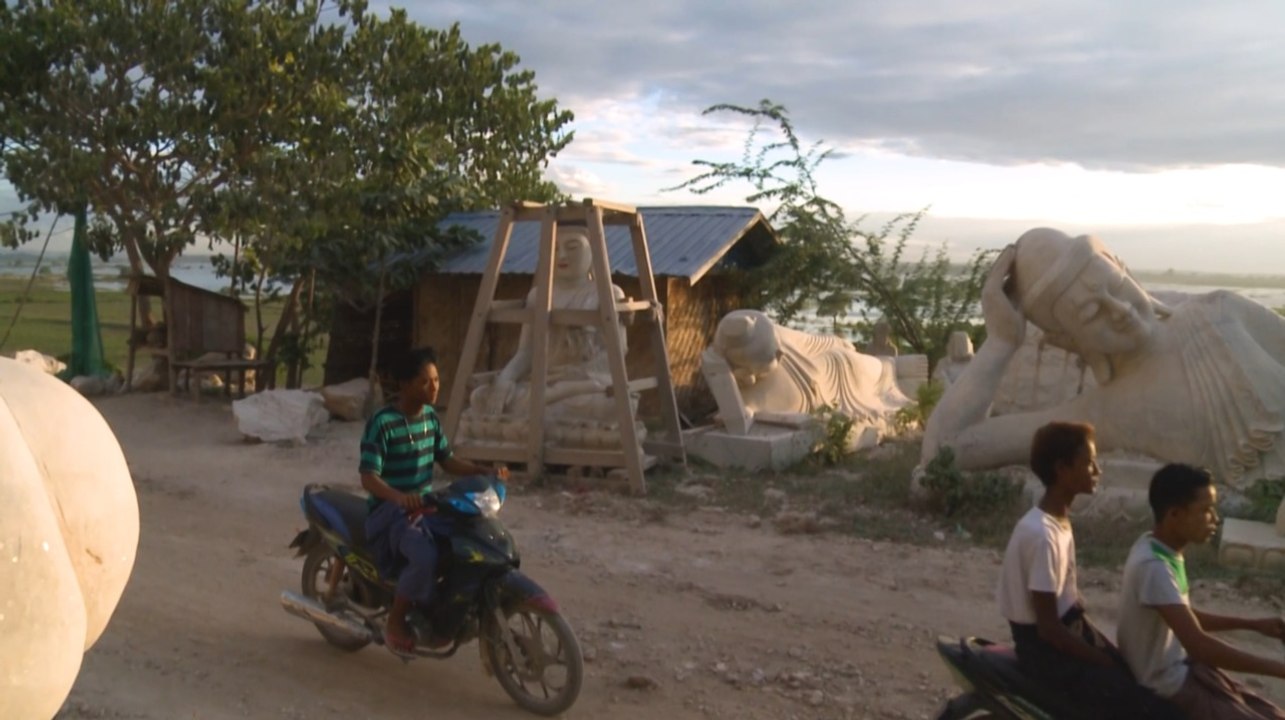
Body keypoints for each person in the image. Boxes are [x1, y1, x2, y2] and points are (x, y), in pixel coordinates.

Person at [922, 228, 1285, 490]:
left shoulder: (1221, 312)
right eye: (1092, 313)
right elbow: (946, 449)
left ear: (1123, 269)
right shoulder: (1104, 412)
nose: (1121, 310)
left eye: (1116, 286)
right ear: (1067, 339)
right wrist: (1000, 343)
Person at [997, 421, 1183, 719]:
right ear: (1062, 469)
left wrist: (1107, 652)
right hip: (1045, 653)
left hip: (1071, 630)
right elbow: (1049, 629)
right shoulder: (1043, 535)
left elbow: (1066, 606)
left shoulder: (1057, 521)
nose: (1097, 470)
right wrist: (1102, 661)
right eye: (1089, 463)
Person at [360, 346, 501, 654]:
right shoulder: (382, 423)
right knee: (425, 556)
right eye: (425, 382)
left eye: (436, 380)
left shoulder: (430, 420)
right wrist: (399, 498)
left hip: (425, 505)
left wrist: (482, 469)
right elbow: (368, 477)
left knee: (464, 543)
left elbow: (447, 460)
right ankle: (396, 621)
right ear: (405, 385)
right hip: (390, 511)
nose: (435, 387)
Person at [1119, 463, 1285, 718]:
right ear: (1174, 514)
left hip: (1184, 669)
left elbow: (1185, 617)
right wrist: (1278, 668)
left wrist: (1254, 625)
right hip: (1168, 685)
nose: (1215, 519)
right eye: (1206, 510)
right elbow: (1199, 646)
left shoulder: (1156, 547)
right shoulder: (1154, 566)